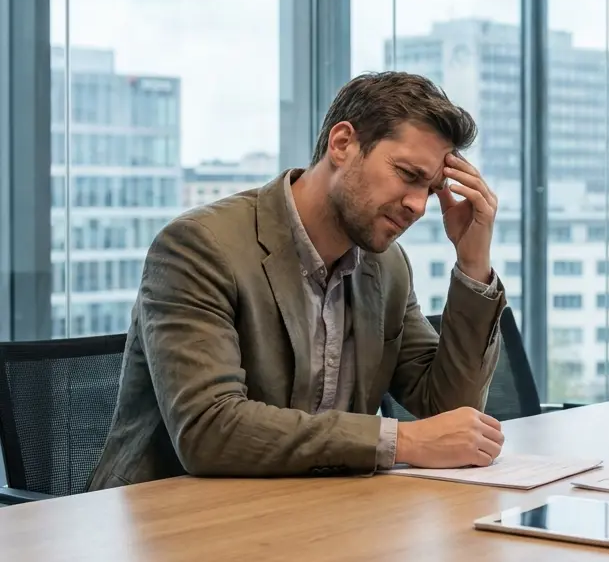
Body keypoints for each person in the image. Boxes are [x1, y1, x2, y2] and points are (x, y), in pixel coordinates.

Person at [90, 71, 507, 490]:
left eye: (432, 190)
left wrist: (473, 264)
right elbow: (208, 429)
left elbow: (452, 414)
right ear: (343, 144)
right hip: (176, 520)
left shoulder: (386, 266)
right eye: (407, 174)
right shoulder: (200, 247)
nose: (418, 206)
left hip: (313, 513)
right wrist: (400, 440)